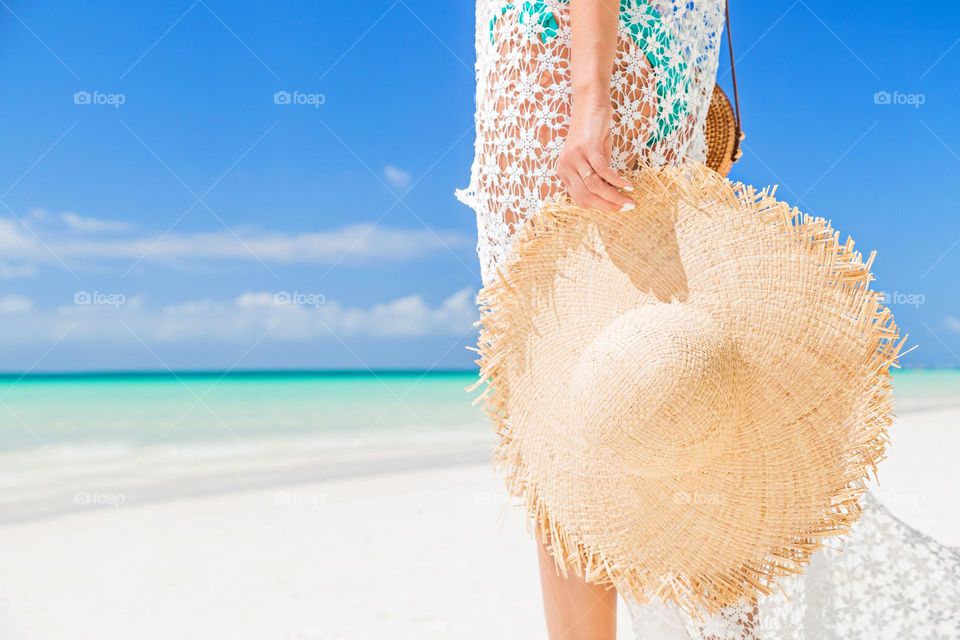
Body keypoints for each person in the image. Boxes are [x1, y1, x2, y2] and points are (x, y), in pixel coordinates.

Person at [457, 1, 960, 638]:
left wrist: (624, 88)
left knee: (657, 393)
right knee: (603, 406)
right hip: (598, 64)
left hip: (613, 64)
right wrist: (611, 89)